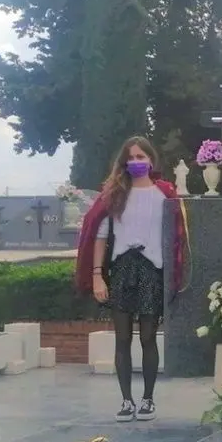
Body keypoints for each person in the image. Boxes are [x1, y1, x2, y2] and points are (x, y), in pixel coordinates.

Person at [75, 136, 185, 422]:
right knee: (122, 339)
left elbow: (177, 236)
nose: (136, 162)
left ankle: (148, 399)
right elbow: (99, 236)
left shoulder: (165, 194)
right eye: (131, 158)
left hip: (152, 269)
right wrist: (97, 276)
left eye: (141, 157)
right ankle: (126, 401)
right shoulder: (115, 194)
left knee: (148, 337)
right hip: (122, 269)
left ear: (151, 160)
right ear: (124, 162)